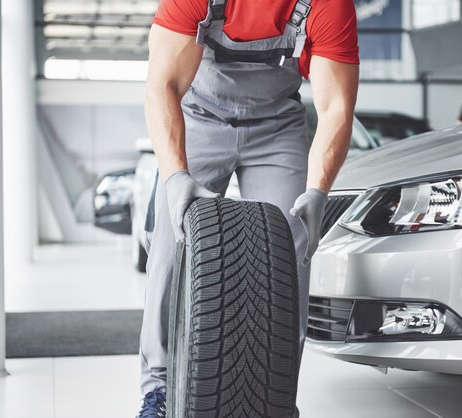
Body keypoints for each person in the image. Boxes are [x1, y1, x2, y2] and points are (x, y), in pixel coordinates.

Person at [136, 0, 360, 416]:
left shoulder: (328, 4)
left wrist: (317, 190)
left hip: (277, 126)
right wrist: (176, 177)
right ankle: (159, 389)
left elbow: (336, 108)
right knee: (169, 250)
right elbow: (161, 84)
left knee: (292, 255)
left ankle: (277, 397)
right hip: (199, 117)